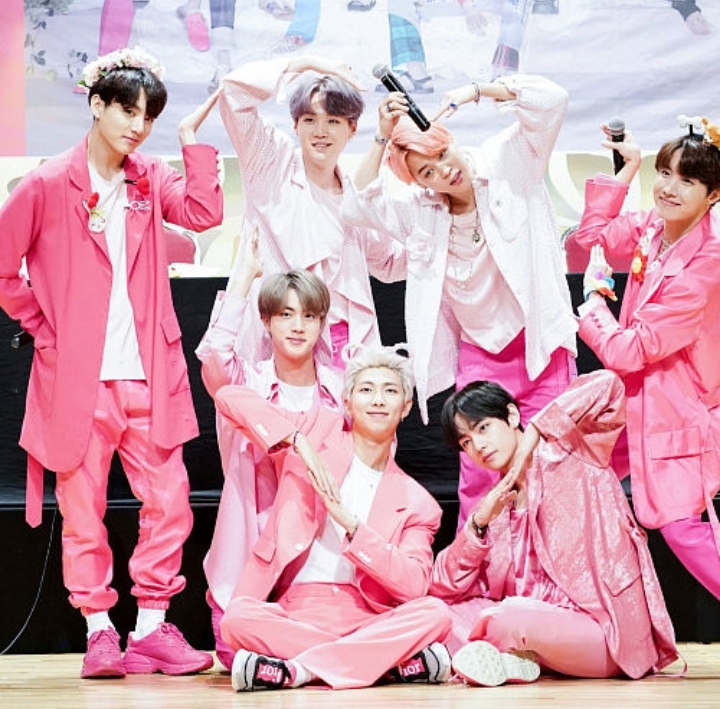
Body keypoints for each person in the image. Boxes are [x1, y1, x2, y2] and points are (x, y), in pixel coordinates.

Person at [0, 48, 223, 678]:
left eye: (149, 116)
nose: (138, 126)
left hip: (150, 374)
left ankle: (151, 628)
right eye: (128, 111)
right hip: (77, 381)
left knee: (170, 504)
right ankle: (99, 630)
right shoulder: (46, 183)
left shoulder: (149, 175)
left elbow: (204, 213)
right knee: (83, 513)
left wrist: (188, 141)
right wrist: (43, 329)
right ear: (96, 105)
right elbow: (4, 268)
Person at [346, 74, 577, 531]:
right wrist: (380, 135)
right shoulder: (422, 209)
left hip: (538, 347)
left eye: (440, 155)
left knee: (552, 465)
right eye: (426, 172)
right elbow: (356, 206)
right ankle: (481, 568)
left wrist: (475, 91)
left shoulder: (508, 160)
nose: (442, 172)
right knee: (479, 475)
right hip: (479, 353)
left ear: (448, 139)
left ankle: (554, 566)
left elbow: (554, 99)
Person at [211, 345, 452, 690]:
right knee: (237, 619)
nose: (378, 400)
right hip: (296, 611)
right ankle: (382, 666)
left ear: (406, 407)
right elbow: (228, 396)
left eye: (390, 391)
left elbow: (414, 586)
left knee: (435, 614)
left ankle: (300, 671)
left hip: (368, 617)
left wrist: (353, 527)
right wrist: (299, 443)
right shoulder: (315, 436)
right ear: (348, 402)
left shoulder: (419, 503)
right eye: (366, 390)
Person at [430, 370, 679, 685]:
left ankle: (504, 657)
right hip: (535, 628)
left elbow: (608, 385)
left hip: (601, 630)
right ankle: (512, 661)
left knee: (506, 618)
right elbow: (442, 587)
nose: (478, 445)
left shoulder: (574, 453)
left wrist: (535, 432)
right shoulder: (496, 506)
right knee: (437, 612)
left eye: (483, 428)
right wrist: (478, 524)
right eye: (466, 442)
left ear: (511, 415)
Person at [574, 117, 720, 600]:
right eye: (664, 172)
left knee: (679, 526)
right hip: (630, 404)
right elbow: (590, 239)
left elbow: (630, 350)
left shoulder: (706, 265)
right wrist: (628, 169)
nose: (669, 188)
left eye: (687, 180)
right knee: (571, 473)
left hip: (677, 411)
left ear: (714, 195)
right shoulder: (653, 227)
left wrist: (593, 307)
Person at [195, 232, 345, 670]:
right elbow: (215, 355)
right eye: (286, 314)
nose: (298, 326)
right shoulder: (248, 383)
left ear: (322, 324)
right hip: (249, 553)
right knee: (236, 651)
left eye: (309, 316)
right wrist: (244, 277)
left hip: (314, 559)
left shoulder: (340, 390)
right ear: (266, 322)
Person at [217, 55, 404, 370]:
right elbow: (233, 93)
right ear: (295, 125)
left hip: (347, 346)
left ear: (352, 128)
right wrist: (309, 63)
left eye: (333, 121)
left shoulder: (355, 197)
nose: (321, 131)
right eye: (309, 119)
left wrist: (446, 224)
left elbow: (388, 263)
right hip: (278, 343)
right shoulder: (271, 164)